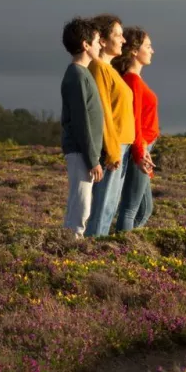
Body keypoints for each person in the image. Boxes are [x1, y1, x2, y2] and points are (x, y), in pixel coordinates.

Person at [85, 13, 135, 236]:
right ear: (102, 40)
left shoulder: (110, 69)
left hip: (121, 146)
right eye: (118, 35)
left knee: (109, 208)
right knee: (102, 208)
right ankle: (91, 255)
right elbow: (102, 111)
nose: (123, 40)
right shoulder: (98, 68)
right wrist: (113, 151)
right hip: (112, 148)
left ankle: (96, 254)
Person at [59, 18, 105, 238]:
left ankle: (70, 242)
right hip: (80, 151)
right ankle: (71, 245)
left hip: (83, 151)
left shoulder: (83, 74)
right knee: (81, 205)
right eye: (96, 41)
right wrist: (93, 160)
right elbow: (80, 121)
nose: (100, 45)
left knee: (81, 202)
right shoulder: (77, 76)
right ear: (86, 45)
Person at [113, 27, 159, 232]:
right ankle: (121, 248)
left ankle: (122, 245)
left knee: (145, 209)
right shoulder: (132, 80)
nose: (152, 51)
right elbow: (134, 121)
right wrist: (140, 153)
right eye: (148, 46)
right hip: (139, 148)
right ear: (133, 51)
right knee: (130, 209)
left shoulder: (135, 80)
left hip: (143, 147)